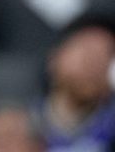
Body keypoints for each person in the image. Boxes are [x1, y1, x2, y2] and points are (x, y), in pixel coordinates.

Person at [31, 16, 115, 150]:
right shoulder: (20, 122)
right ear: (54, 58)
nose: (94, 65)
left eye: (106, 56)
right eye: (86, 52)